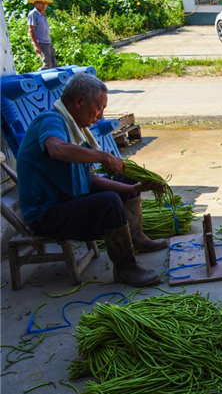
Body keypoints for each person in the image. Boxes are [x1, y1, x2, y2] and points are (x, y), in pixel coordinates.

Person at [16, 73, 168, 287]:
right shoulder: (51, 120)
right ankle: (125, 267)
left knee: (125, 180)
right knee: (109, 202)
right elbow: (56, 149)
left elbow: (89, 179)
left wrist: (133, 187)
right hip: (46, 214)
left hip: (67, 199)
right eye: (99, 107)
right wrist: (104, 156)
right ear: (79, 102)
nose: (101, 115)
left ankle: (137, 239)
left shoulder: (77, 130)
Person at [27, 0, 58, 70]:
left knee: (54, 64)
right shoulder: (33, 14)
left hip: (48, 42)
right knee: (47, 66)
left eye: (45, 3)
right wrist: (36, 45)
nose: (43, 5)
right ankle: (36, 78)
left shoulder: (43, 14)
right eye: (40, 3)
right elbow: (31, 30)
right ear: (35, 3)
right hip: (41, 42)